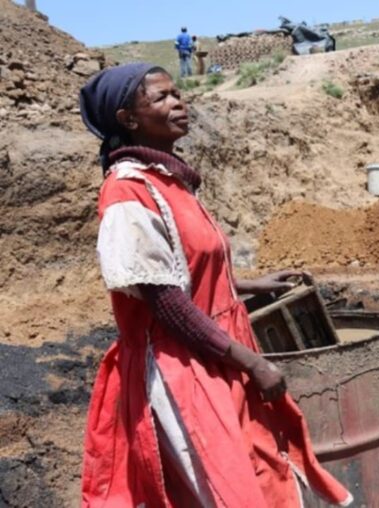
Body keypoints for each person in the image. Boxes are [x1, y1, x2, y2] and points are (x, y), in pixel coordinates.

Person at [78, 63, 352, 507]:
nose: (178, 102)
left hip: (213, 354)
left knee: (261, 473)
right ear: (128, 119)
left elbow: (184, 273)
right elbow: (166, 305)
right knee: (224, 491)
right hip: (183, 368)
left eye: (178, 93)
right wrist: (253, 364)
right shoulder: (128, 195)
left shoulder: (168, 182)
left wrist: (248, 284)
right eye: (162, 97)